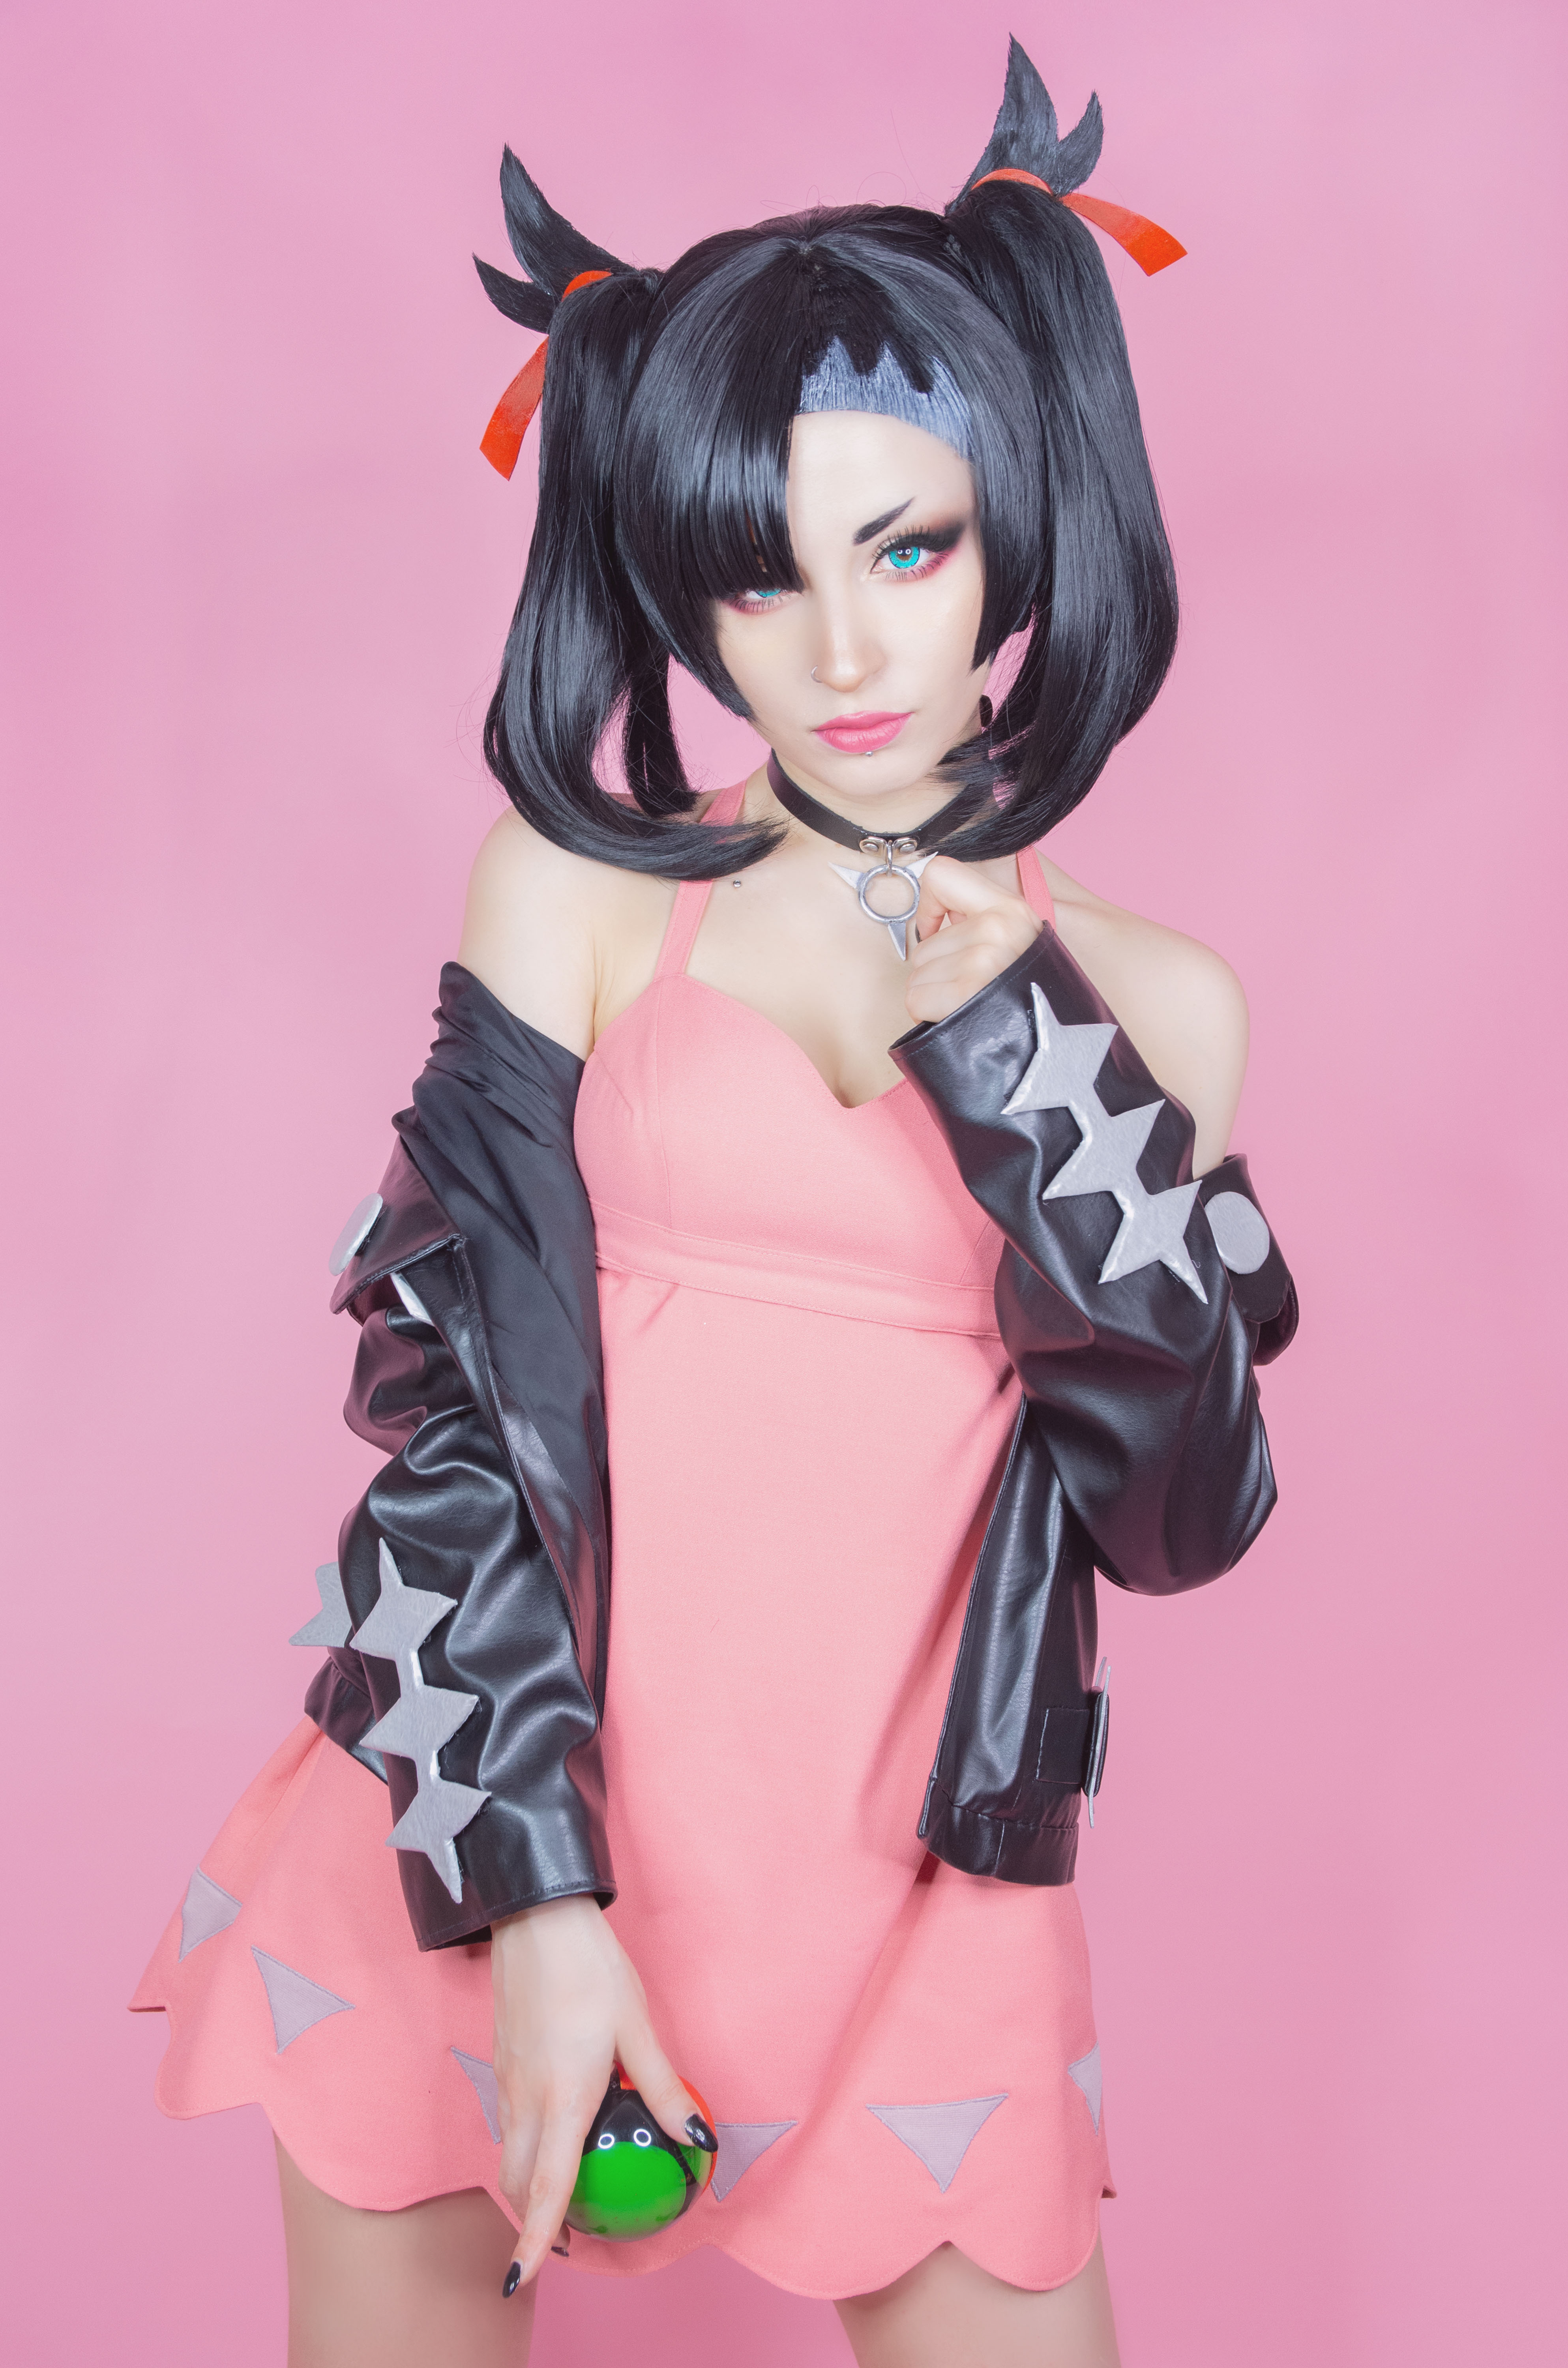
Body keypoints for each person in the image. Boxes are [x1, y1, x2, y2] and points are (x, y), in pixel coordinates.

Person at [133, 41, 1296, 2368]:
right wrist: (533, 1907)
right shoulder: (577, 893)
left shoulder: (1156, 1007)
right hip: (489, 1835)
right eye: (759, 580)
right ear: (683, 594)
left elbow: (1175, 1514)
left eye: (908, 548)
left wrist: (1013, 1037)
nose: (843, 655)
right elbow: (460, 1409)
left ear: (1017, 525)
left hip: (913, 1909)